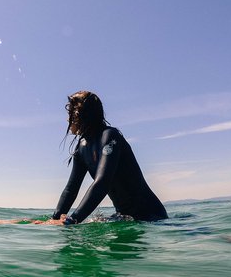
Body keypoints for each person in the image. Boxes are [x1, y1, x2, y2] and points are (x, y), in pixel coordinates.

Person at [46, 91, 167, 225]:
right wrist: (54, 219)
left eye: (70, 113)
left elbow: (102, 182)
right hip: (126, 218)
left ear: (78, 115)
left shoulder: (110, 136)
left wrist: (72, 220)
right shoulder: (81, 148)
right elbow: (71, 189)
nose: (67, 119)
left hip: (151, 216)